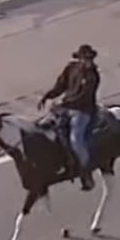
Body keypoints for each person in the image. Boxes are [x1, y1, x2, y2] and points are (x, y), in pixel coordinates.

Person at [38, 44, 102, 191]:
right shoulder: (71, 68)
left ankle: (86, 172)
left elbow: (84, 96)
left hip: (83, 110)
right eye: (84, 58)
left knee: (76, 138)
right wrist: (48, 96)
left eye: (89, 59)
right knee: (43, 126)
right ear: (79, 58)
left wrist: (64, 103)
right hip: (66, 107)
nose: (87, 61)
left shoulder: (92, 76)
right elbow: (60, 85)